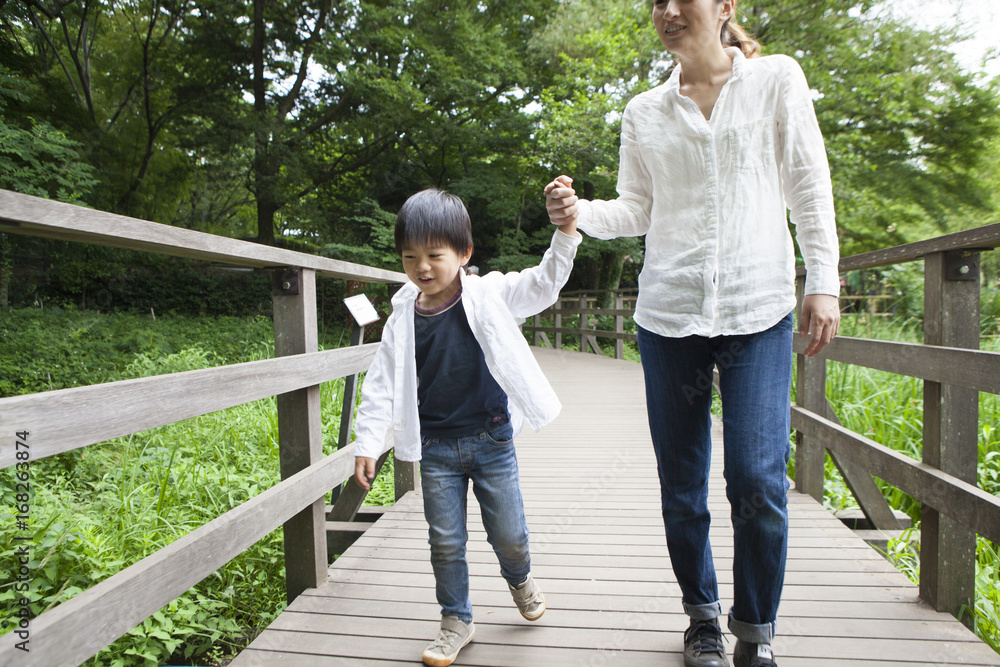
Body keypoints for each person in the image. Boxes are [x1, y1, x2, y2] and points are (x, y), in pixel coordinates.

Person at [544, 1, 840, 666]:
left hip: (758, 306)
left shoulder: (777, 81)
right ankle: (702, 618)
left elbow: (809, 184)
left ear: (724, 6)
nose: (669, 10)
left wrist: (824, 278)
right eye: (657, 1)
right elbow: (636, 209)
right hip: (669, 314)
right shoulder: (643, 111)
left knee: (757, 479)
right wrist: (577, 212)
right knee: (681, 483)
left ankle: (755, 631)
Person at [352, 187, 581, 667]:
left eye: (435, 255)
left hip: (492, 438)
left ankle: (519, 578)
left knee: (510, 535)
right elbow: (381, 383)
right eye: (410, 257)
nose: (422, 268)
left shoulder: (490, 293)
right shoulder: (402, 316)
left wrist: (565, 234)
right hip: (436, 447)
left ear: (464, 253)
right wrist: (369, 444)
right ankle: (456, 619)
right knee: (446, 540)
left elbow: (542, 284)